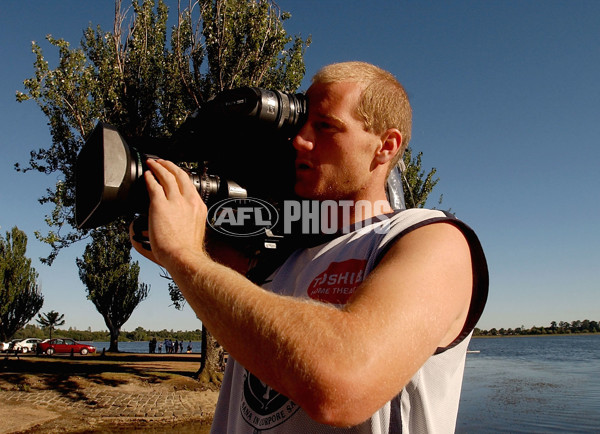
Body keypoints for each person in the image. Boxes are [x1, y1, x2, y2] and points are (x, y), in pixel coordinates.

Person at [131, 61, 488, 433]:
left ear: (386, 146)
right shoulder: (277, 257)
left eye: (326, 126)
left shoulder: (431, 239)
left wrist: (185, 256)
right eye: (301, 125)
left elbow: (341, 386)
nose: (300, 140)